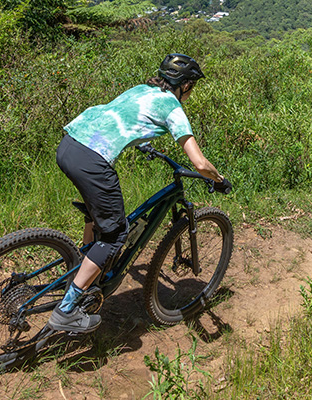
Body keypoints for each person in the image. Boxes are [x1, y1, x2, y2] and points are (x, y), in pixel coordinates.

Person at [50, 53, 231, 333]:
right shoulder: (172, 107)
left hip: (69, 144)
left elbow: (123, 118)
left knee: (100, 215)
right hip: (92, 161)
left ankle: (82, 265)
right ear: (184, 85)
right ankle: (67, 309)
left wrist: (144, 142)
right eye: (191, 87)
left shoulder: (141, 90)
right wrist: (218, 179)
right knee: (115, 235)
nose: (191, 93)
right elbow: (198, 163)